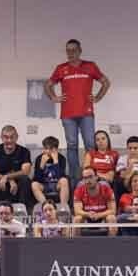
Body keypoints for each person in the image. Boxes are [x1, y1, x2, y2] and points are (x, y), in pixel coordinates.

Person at [45, 39, 110, 184]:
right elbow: (48, 85)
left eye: (74, 50)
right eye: (68, 50)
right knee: (72, 145)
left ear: (80, 51)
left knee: (90, 144)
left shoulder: (90, 66)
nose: (71, 53)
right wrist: (53, 97)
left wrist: (98, 97)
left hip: (86, 113)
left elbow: (106, 82)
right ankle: (74, 177)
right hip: (68, 114)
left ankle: (91, 174)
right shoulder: (61, 68)